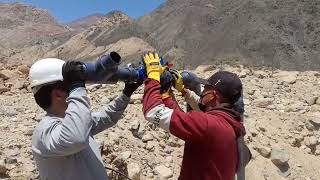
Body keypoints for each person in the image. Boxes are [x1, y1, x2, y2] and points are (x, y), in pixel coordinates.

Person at [29, 58, 141, 180]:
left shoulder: (73, 121)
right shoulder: (44, 132)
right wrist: (77, 87)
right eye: (70, 87)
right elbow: (76, 138)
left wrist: (126, 94)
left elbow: (107, 117)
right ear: (58, 94)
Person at [142, 52, 246, 180]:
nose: (202, 92)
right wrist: (167, 95)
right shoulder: (232, 123)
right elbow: (184, 119)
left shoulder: (208, 124)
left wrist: (152, 78)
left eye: (205, 89)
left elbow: (152, 112)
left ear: (213, 95)